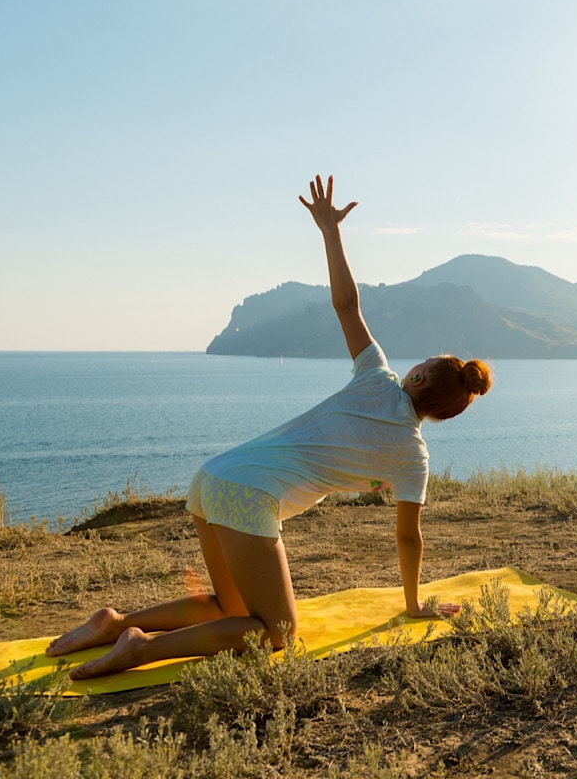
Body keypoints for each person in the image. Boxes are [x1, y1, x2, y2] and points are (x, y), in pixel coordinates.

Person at [47, 174, 492, 679]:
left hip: (213, 477)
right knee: (276, 632)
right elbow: (409, 539)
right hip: (247, 496)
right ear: (445, 413)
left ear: (416, 375)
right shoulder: (413, 457)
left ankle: (114, 623)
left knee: (229, 608)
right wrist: (413, 605)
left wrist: (330, 231)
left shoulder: (375, 377)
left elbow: (347, 305)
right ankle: (139, 648)